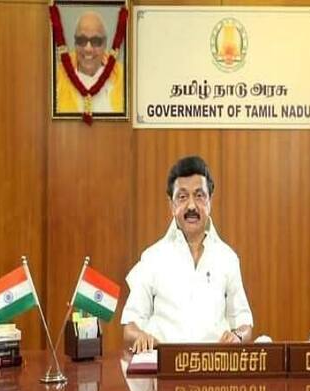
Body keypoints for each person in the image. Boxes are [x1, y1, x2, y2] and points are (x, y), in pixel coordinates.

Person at [121, 156, 253, 353]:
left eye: (199, 196)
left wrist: (238, 336)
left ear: (210, 201)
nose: (191, 206)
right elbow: (130, 326)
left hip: (214, 366)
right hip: (165, 365)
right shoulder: (152, 258)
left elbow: (244, 323)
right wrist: (141, 336)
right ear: (172, 205)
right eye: (182, 197)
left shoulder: (228, 258)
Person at [56, 11, 124, 113]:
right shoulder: (57, 78)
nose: (88, 49)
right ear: (75, 42)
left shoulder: (122, 79)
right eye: (82, 40)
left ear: (105, 44)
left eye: (95, 41)